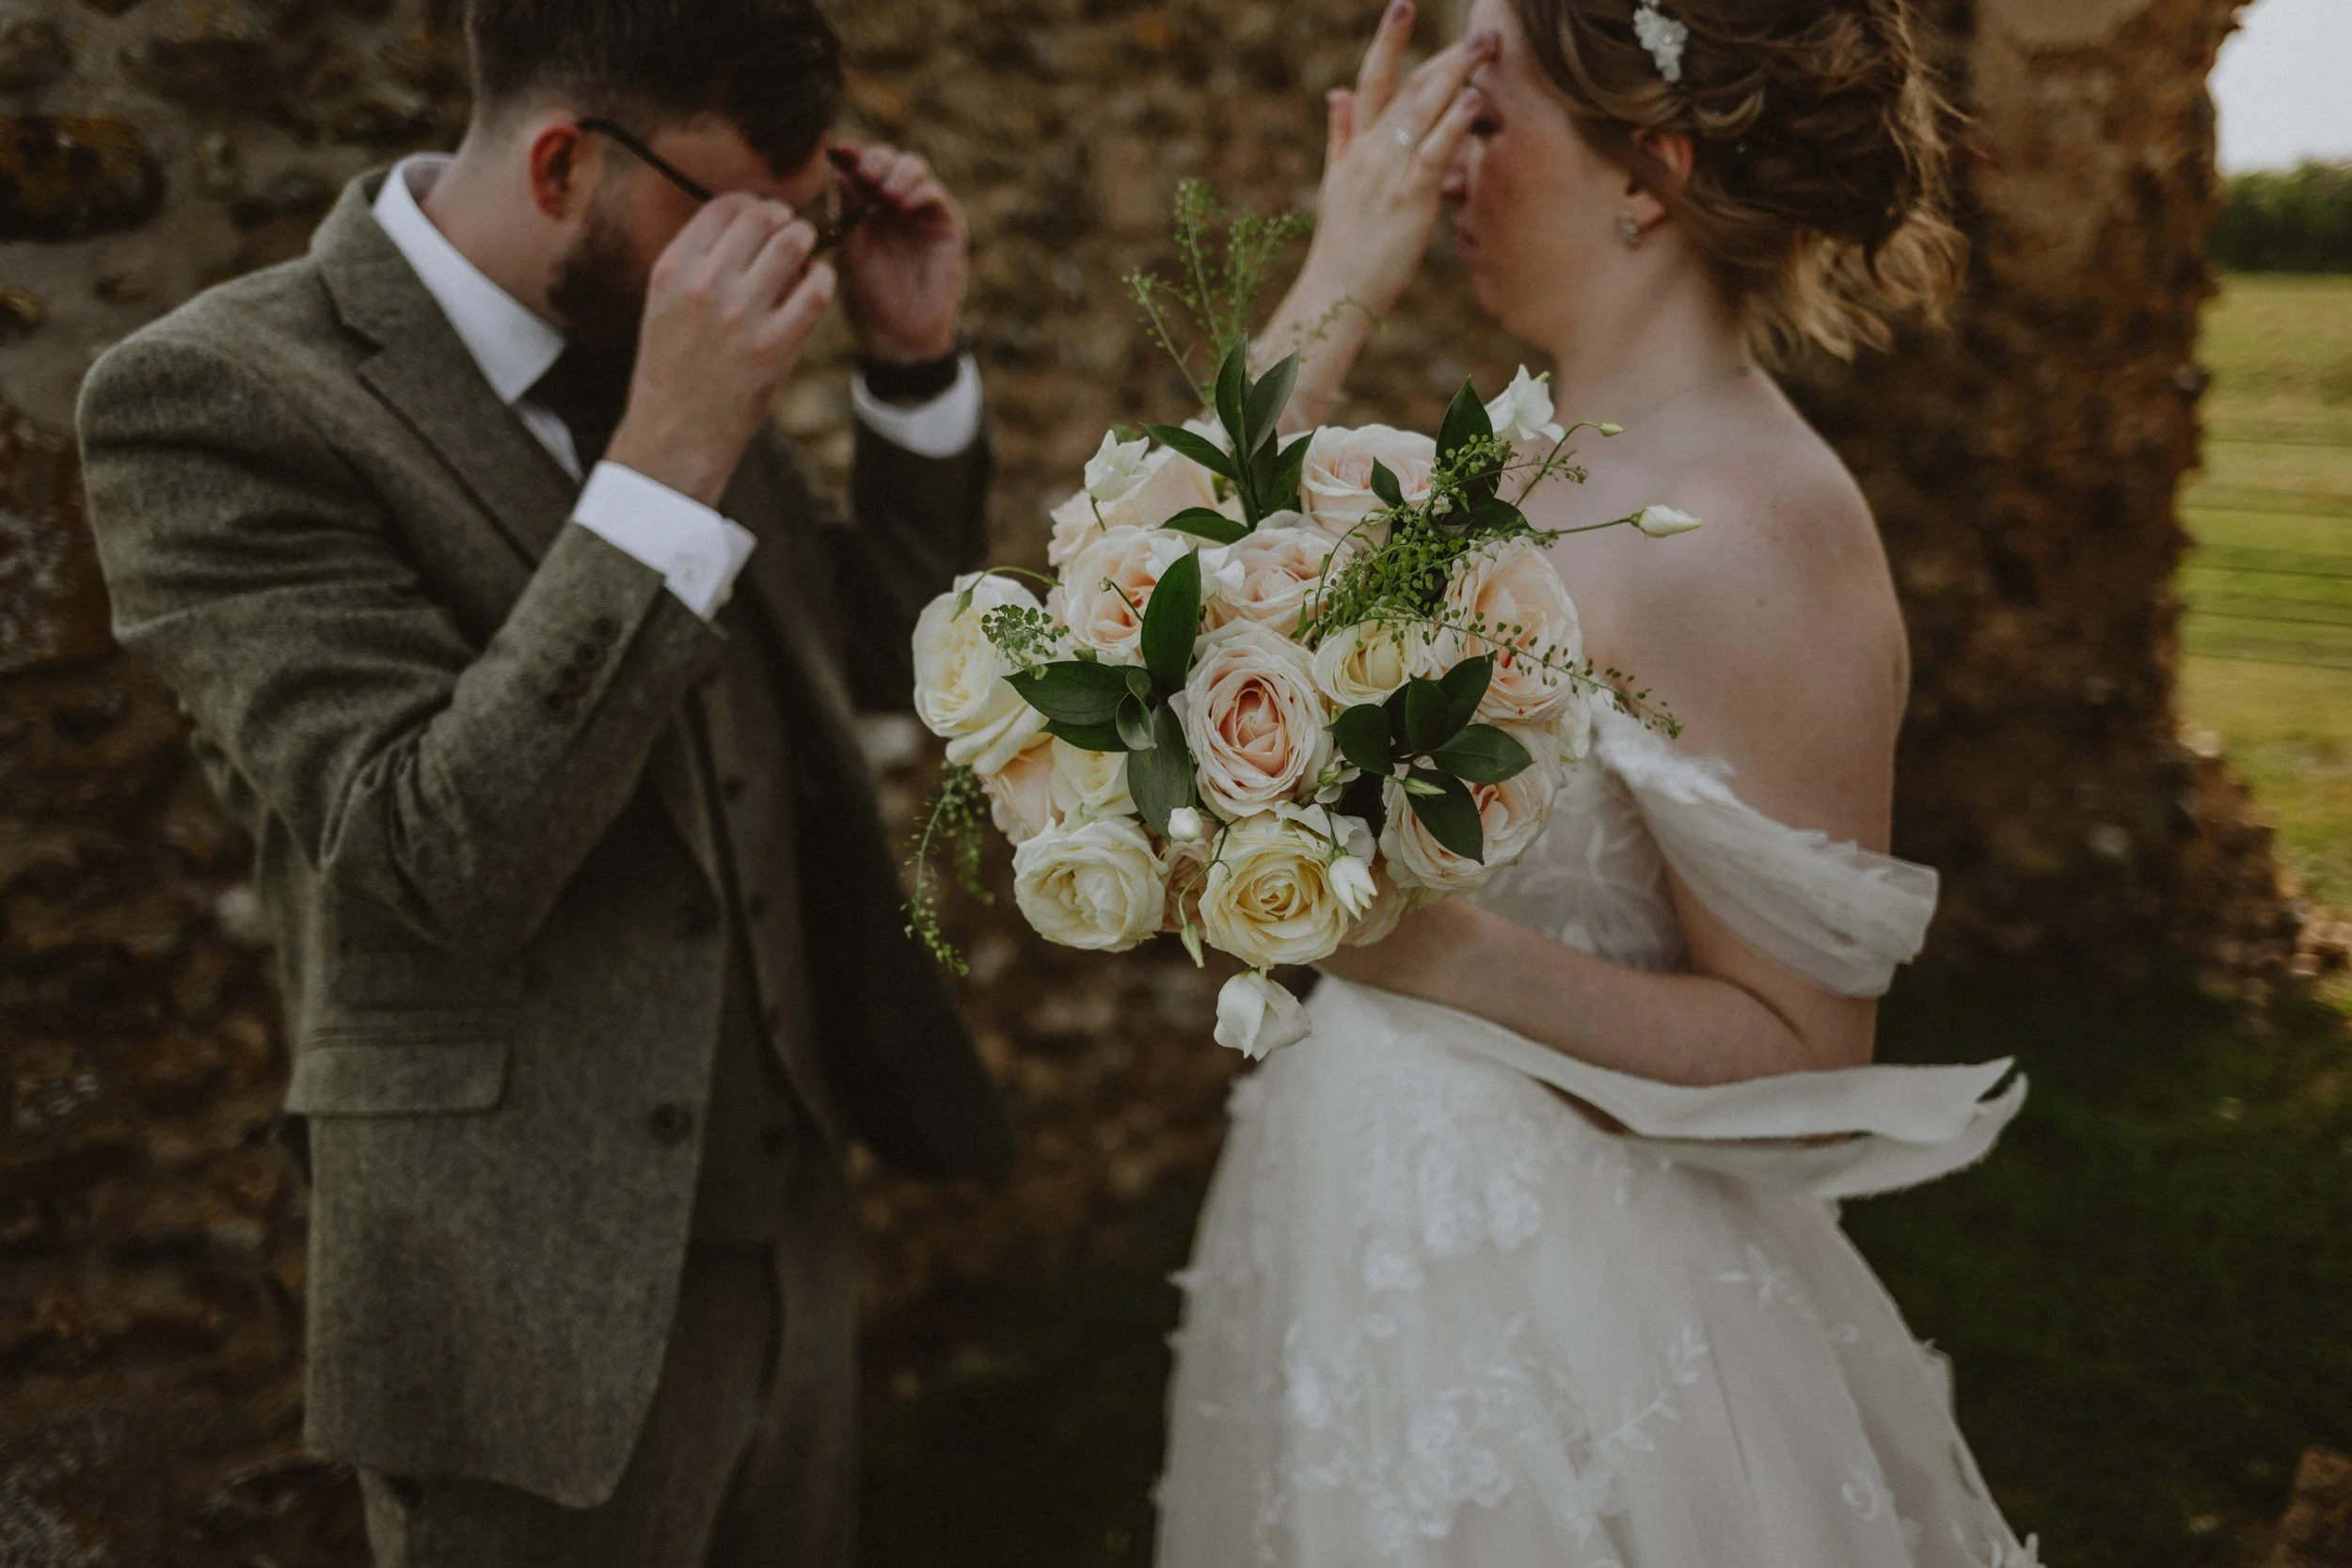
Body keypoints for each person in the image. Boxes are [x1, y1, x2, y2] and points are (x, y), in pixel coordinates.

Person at [75, 1, 1008, 1562]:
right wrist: (668, 457)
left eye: (806, 227)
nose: (770, 275)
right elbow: (430, 848)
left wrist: (910, 367)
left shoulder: (650, 330)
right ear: (567, 160)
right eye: (735, 225)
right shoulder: (221, 400)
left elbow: (878, 658)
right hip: (524, 1295)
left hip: (793, 1234)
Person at [1155, 1, 2043, 1563]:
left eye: (1483, 122)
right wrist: (1333, 283)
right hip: (1354, 1213)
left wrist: (1433, 948)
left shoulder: (1756, 525)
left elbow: (1797, 1057)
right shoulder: (1514, 464)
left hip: (1569, 1310)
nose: (1435, 171)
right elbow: (1146, 600)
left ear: (1652, 170)